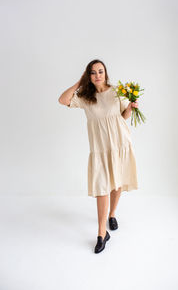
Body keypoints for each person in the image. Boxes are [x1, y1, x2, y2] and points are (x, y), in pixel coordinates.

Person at [58, 59, 139, 253]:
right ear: (89, 75)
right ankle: (102, 233)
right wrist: (79, 82)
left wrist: (130, 108)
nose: (97, 75)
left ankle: (112, 214)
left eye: (100, 71)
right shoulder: (86, 96)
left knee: (117, 183)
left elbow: (123, 116)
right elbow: (63, 100)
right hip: (100, 149)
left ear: (106, 73)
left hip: (120, 144)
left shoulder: (117, 90)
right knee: (102, 187)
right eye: (93, 73)